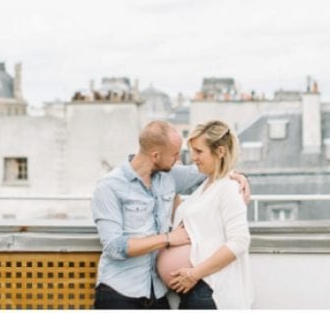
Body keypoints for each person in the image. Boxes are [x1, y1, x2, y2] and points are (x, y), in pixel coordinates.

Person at [91, 120, 250, 309]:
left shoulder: (169, 175)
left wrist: (240, 177)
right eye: (175, 155)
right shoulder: (109, 186)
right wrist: (168, 239)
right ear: (156, 155)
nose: (180, 160)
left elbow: (214, 167)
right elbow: (114, 246)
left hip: (157, 294)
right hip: (120, 293)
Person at [158, 120, 253, 309]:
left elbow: (240, 242)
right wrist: (169, 185)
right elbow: (183, 216)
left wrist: (194, 274)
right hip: (196, 290)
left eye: (199, 151)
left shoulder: (229, 188)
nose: (193, 158)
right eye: (192, 151)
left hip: (209, 289)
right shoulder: (206, 186)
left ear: (220, 152)